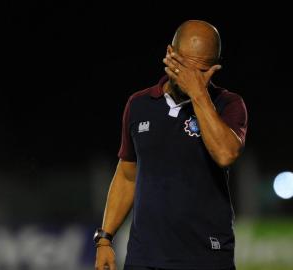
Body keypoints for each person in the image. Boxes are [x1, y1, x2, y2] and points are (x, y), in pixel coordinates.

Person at [94, 20, 248, 270]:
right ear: (169, 54)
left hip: (206, 258)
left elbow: (225, 153)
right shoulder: (139, 104)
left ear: (214, 68)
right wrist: (104, 240)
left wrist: (198, 94)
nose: (189, 77)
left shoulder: (228, 105)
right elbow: (127, 176)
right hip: (144, 259)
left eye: (200, 71)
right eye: (184, 66)